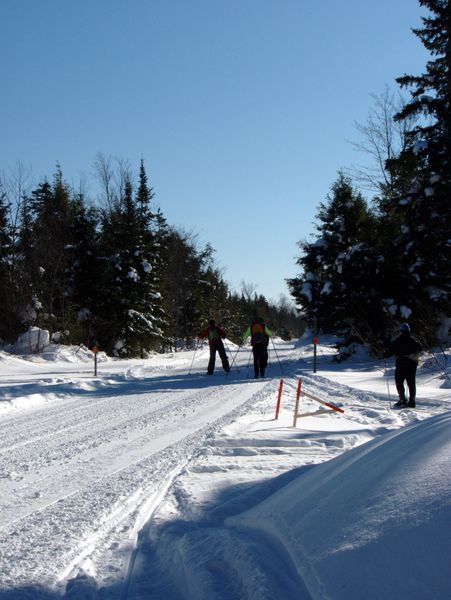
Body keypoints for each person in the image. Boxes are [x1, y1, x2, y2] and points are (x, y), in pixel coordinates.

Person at [391, 323, 422, 408]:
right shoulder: (413, 340)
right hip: (412, 364)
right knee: (411, 382)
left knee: (399, 381)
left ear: (401, 331)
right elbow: (420, 347)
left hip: (401, 364)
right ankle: (412, 401)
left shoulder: (398, 340)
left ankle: (402, 400)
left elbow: (391, 349)